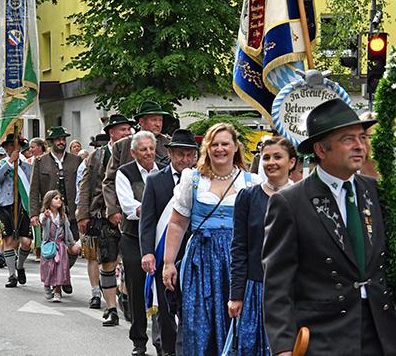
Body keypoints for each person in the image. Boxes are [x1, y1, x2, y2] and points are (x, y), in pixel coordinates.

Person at [262, 99, 396, 355]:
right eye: (348, 139)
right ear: (321, 150)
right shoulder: (290, 203)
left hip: (381, 332)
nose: (359, 145)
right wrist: (282, 347)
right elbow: (278, 283)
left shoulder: (376, 192)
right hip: (325, 336)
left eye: (361, 137)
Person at [162, 123, 260, 355]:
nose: (219, 149)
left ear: (236, 147)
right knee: (198, 325)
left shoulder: (250, 182)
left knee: (237, 323)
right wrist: (168, 263)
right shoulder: (193, 179)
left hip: (237, 262)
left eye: (225, 143)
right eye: (214, 144)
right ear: (207, 148)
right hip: (201, 261)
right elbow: (177, 223)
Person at [225, 137, 296, 355]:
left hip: (293, 290)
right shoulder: (247, 197)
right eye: (266, 157)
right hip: (256, 289)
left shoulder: (302, 196)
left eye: (277, 157)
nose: (271, 162)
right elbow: (239, 247)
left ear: (291, 162)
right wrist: (236, 295)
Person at [140, 129, 198, 356]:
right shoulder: (156, 180)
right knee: (165, 308)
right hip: (164, 252)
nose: (184, 159)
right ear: (170, 153)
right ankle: (167, 350)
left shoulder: (200, 180)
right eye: (180, 154)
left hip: (192, 253)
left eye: (189, 155)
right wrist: (148, 253)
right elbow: (147, 220)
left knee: (188, 307)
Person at [77, 114, 134, 322]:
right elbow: (85, 187)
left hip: (129, 216)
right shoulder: (97, 156)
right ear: (112, 133)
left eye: (129, 130)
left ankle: (126, 296)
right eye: (122, 130)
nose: (127, 133)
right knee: (107, 261)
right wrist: (82, 214)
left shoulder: (135, 153)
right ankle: (111, 308)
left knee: (129, 261)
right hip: (102, 215)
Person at [116, 131, 164, 356]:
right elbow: (129, 208)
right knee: (136, 288)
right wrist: (155, 208)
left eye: (151, 148)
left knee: (163, 288)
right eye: (143, 149)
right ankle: (139, 341)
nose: (148, 153)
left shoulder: (163, 170)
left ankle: (164, 338)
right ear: (134, 152)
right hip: (133, 238)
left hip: (161, 237)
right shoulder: (124, 173)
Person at [103, 100, 174, 229]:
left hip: (164, 217)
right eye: (154, 120)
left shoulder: (169, 144)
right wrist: (113, 209)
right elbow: (109, 180)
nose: (158, 124)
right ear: (141, 122)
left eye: (160, 120)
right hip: (131, 217)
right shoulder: (123, 145)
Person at [30, 126, 82, 294]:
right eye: (58, 139)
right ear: (51, 142)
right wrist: (33, 213)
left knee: (73, 247)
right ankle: (57, 278)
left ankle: (64, 274)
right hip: (51, 214)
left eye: (63, 139)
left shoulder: (75, 160)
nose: (61, 142)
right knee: (52, 249)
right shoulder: (40, 161)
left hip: (72, 211)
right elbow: (34, 190)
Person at [0, 134, 33, 287]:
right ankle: (11, 275)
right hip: (5, 205)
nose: (12, 148)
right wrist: (10, 162)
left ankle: (20, 265)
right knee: (8, 240)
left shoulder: (27, 166)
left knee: (26, 241)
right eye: (9, 146)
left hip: (23, 205)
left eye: (15, 146)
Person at [40, 190, 81, 302]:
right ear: (49, 201)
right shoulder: (45, 215)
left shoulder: (63, 216)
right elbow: (42, 223)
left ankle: (58, 291)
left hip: (61, 246)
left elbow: (67, 231)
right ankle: (47, 286)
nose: (59, 200)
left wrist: (71, 243)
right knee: (48, 269)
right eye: (56, 198)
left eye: (60, 198)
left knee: (60, 269)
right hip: (49, 245)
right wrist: (45, 217)